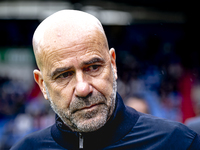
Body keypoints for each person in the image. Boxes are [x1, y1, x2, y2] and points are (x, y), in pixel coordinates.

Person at [11, 10, 200, 150]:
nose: (83, 88)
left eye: (93, 67)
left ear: (113, 64)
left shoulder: (179, 143)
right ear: (42, 85)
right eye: (64, 75)